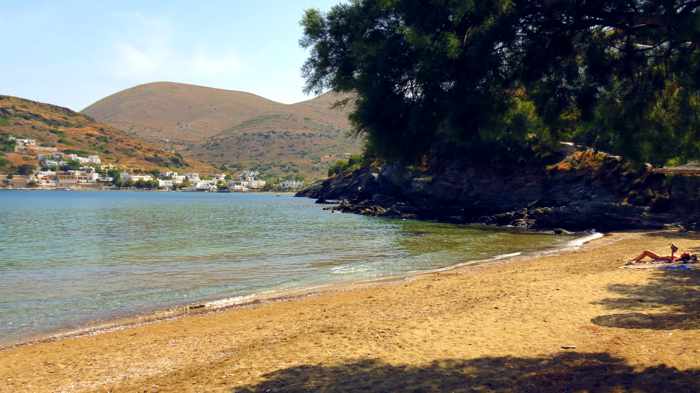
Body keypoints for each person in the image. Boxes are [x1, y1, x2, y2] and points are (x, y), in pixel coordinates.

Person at [628, 244, 697, 264]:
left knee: (646, 251)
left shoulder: (678, 258)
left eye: (685, 253)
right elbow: (694, 260)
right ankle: (634, 260)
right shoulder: (680, 257)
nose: (684, 252)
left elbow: (672, 261)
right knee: (645, 252)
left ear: (684, 256)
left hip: (658, 258)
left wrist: (672, 251)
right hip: (659, 257)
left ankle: (634, 260)